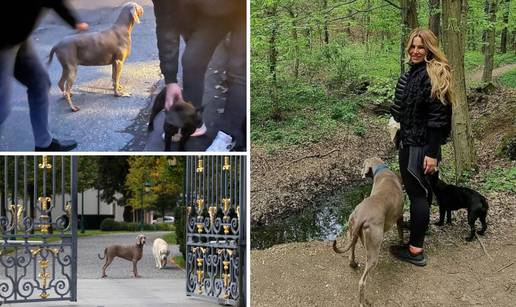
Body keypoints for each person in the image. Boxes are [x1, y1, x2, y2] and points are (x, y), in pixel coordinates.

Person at [389, 28, 453, 266]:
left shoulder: (434, 75)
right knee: (421, 194)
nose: (415, 51)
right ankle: (417, 235)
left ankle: (415, 251)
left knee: (418, 195)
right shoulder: (414, 73)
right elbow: (404, 109)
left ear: (430, 49)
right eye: (413, 47)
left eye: (421, 47)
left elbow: (438, 120)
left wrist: (432, 154)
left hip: (421, 147)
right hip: (409, 142)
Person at [152, 0, 246, 152]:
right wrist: (170, 81)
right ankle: (193, 121)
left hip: (244, 11)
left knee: (238, 68)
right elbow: (166, 25)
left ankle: (228, 135)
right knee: (192, 59)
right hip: (216, 14)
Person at [0, 0, 88, 151]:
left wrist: (73, 21)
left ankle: (44, 144)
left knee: (39, 82)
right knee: (2, 107)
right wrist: (72, 20)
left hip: (18, 36)